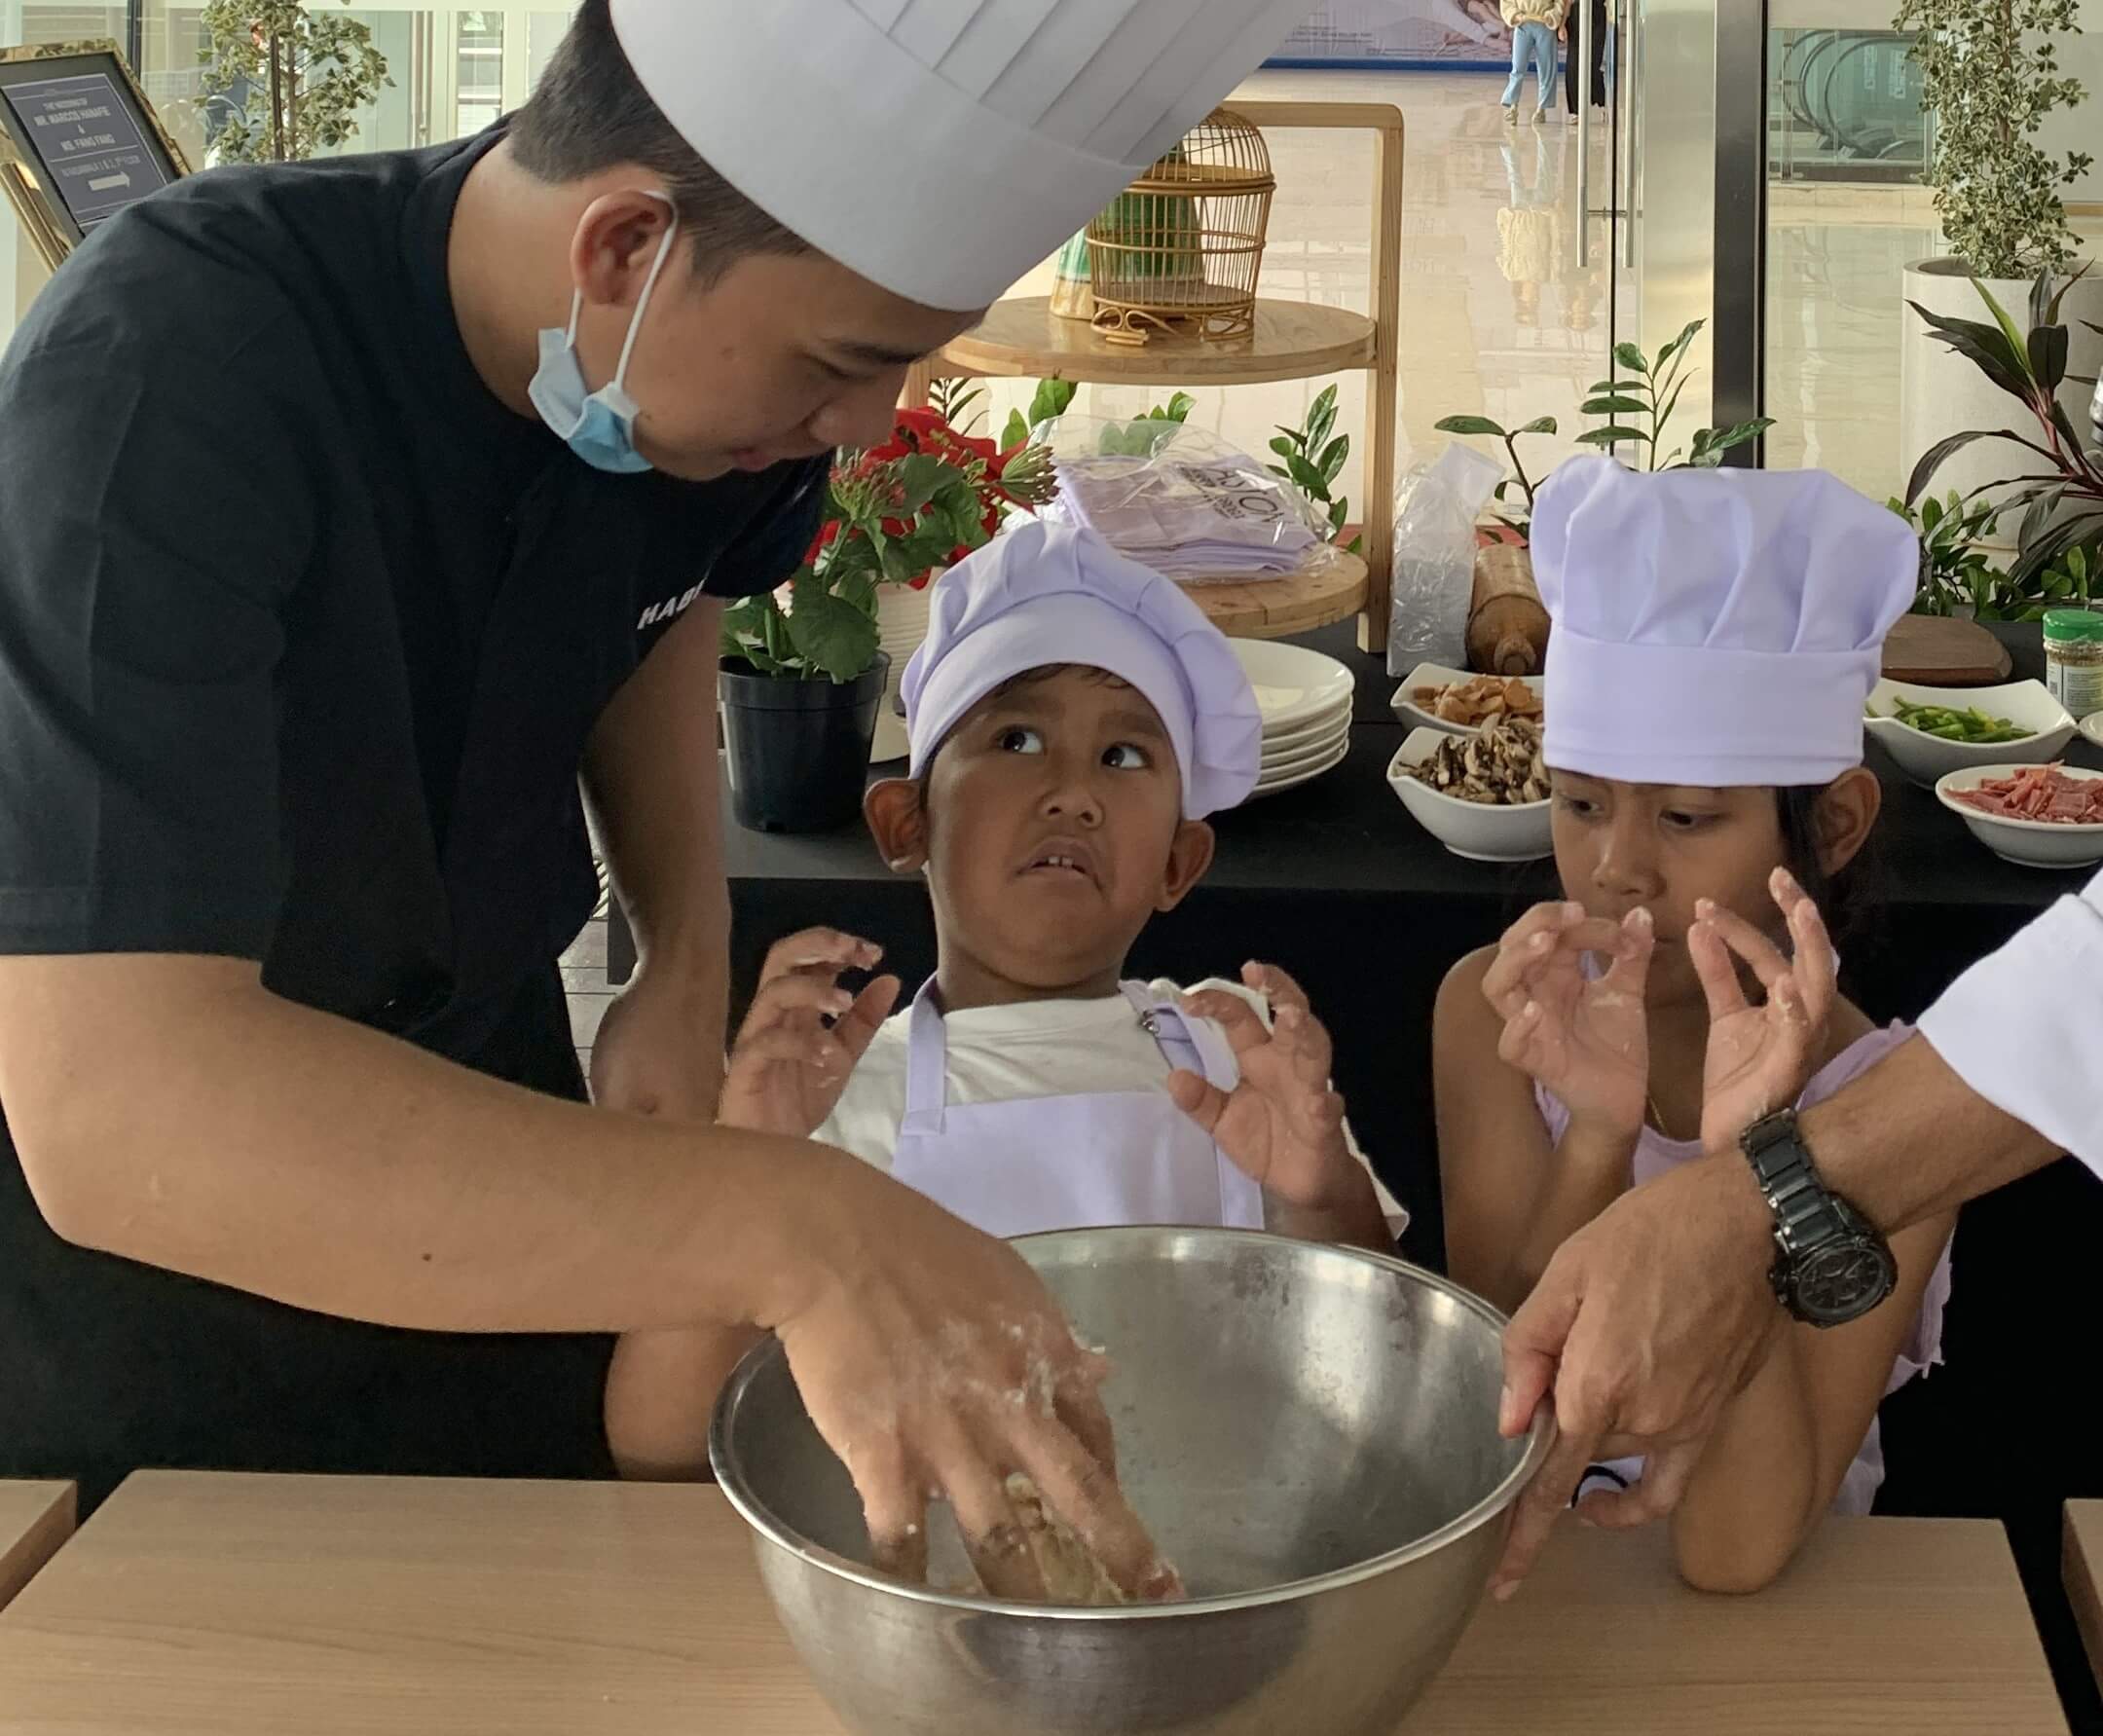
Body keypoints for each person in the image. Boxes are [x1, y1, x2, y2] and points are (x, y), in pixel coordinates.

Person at [0, 0, 1320, 1575]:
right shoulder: (166, 379)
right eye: (844, 364)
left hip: (493, 1142)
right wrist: (793, 1221)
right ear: (622, 249)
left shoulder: (703, 406)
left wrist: (676, 951)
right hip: (166, 1308)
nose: (862, 426)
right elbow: (119, 1107)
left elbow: (660, 600)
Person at [605, 525, 1406, 1533]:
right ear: (906, 824)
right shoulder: (834, 1095)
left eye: (1123, 754)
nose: (1072, 791)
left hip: (1214, 1580)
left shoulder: (1227, 1052)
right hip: (919, 1599)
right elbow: (658, 1446)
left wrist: (1320, 1191)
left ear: (1179, 862)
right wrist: (746, 1157)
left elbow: (1386, 1367)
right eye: (1016, 739)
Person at [1434, 457, 1951, 1593]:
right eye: (1579, 802)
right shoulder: (1496, 1018)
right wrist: (1596, 1142)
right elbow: (1492, 1417)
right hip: (1536, 1607)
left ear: (1837, 821)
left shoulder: (1894, 1108)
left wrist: (1743, 1166)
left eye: (1683, 816)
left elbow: (1734, 1550)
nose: (1617, 867)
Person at [1500, 0, 1568, 125]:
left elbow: (1560, 2)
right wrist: (1516, 15)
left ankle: (1542, 108)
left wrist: (1552, 15)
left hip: (1545, 25)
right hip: (1523, 25)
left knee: (1546, 69)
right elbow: (1506, 2)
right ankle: (1513, 105)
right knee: (1518, 67)